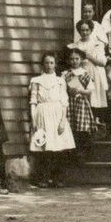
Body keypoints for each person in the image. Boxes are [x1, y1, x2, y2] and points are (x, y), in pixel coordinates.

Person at [28, 51, 76, 186]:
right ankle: (43, 178)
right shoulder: (36, 81)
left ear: (55, 64)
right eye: (46, 63)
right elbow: (33, 102)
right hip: (42, 114)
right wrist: (34, 121)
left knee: (58, 148)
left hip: (57, 113)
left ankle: (57, 178)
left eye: (51, 63)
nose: (49, 66)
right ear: (42, 65)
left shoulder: (60, 81)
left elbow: (64, 102)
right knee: (44, 148)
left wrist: (62, 121)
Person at [66, 20, 111, 130]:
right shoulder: (75, 45)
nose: (85, 32)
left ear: (91, 30)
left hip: (93, 71)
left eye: (87, 30)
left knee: (93, 99)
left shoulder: (97, 44)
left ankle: (93, 125)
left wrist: (89, 56)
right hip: (79, 73)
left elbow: (103, 62)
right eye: (82, 30)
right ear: (79, 31)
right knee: (81, 97)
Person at [64, 52, 99, 157]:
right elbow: (61, 89)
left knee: (81, 127)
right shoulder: (65, 74)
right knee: (71, 127)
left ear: (81, 60)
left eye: (76, 58)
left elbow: (90, 90)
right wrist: (68, 90)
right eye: (71, 59)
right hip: (69, 103)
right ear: (68, 60)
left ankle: (82, 152)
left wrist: (80, 90)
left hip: (81, 103)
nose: (74, 61)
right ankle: (72, 152)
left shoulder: (85, 73)